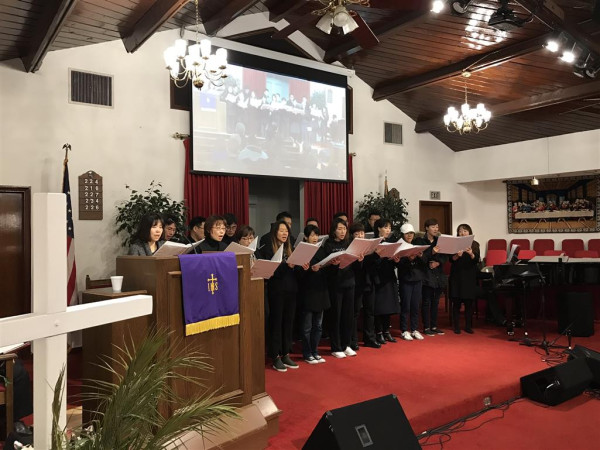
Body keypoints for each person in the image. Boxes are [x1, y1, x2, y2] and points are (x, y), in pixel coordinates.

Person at [257, 220, 306, 372]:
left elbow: (297, 274)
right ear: (275, 232)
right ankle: (275, 355)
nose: (285, 233)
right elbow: (269, 272)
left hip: (291, 291)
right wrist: (286, 266)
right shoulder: (268, 249)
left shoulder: (291, 248)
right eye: (281, 231)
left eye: (286, 231)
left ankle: (285, 353)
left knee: (288, 323)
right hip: (276, 291)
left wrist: (302, 267)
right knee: (276, 323)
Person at [323, 217, 359, 358]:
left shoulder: (349, 243)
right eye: (339, 229)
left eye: (344, 228)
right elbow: (325, 268)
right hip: (335, 284)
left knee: (348, 316)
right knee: (336, 316)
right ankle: (336, 347)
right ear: (334, 230)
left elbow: (355, 266)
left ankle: (346, 345)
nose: (342, 231)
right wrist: (333, 265)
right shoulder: (328, 245)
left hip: (349, 282)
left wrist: (359, 260)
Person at [298, 224, 330, 364]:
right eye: (312, 235)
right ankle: (307, 352)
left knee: (318, 325)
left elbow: (327, 269)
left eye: (316, 235)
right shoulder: (302, 250)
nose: (315, 237)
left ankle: (315, 351)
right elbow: (298, 274)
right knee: (307, 326)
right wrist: (307, 270)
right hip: (308, 291)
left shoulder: (322, 250)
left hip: (321, 291)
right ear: (306, 237)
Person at [414, 218, 448, 336]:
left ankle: (434, 325)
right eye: (433, 227)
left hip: (438, 274)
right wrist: (432, 252)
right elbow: (421, 258)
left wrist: (438, 263)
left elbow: (445, 256)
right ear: (427, 228)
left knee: (436, 302)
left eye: (437, 227)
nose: (435, 229)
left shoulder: (439, 240)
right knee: (426, 301)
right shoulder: (420, 241)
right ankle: (426, 327)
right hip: (426, 274)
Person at [349, 222, 380, 349]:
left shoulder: (369, 245)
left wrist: (377, 254)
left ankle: (369, 338)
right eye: (357, 234)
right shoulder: (350, 247)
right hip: (356, 283)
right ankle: (353, 340)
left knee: (370, 311)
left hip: (369, 281)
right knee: (355, 312)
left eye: (362, 233)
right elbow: (352, 268)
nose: (360, 236)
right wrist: (359, 261)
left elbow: (373, 264)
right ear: (352, 235)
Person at [373, 218, 401, 344]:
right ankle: (378, 332)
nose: (388, 230)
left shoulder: (391, 242)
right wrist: (379, 255)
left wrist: (396, 260)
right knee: (380, 307)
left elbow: (394, 263)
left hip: (389, 277)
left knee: (389, 306)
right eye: (385, 227)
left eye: (389, 228)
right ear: (379, 228)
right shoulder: (374, 243)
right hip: (378, 278)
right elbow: (372, 263)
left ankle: (386, 331)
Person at [449, 224, 481, 334]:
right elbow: (451, 260)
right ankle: (456, 326)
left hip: (469, 276)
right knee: (456, 302)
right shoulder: (454, 244)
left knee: (468, 303)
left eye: (465, 231)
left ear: (469, 232)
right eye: (460, 231)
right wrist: (457, 256)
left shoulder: (475, 244)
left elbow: (476, 260)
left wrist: (471, 253)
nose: (463, 233)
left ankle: (468, 326)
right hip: (456, 276)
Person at [397, 223, 425, 341]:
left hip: (417, 279)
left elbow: (423, 264)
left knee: (415, 305)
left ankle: (414, 329)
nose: (409, 235)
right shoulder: (399, 246)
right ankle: (404, 330)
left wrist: (420, 256)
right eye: (407, 233)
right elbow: (399, 265)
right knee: (405, 305)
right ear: (402, 234)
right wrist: (409, 259)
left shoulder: (415, 245)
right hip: (406, 279)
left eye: (411, 233)